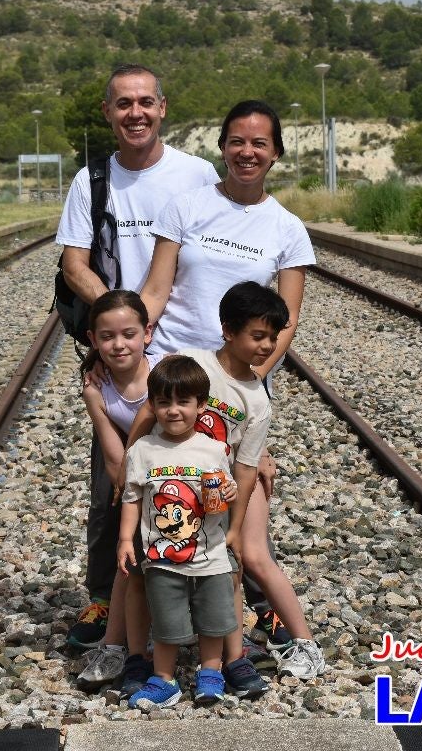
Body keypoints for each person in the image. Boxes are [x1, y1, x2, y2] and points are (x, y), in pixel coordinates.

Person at [137, 100, 322, 675]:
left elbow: (284, 324)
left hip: (235, 390)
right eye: (237, 141)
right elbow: (156, 291)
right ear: (223, 146)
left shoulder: (286, 229)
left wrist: (242, 394)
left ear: (276, 154)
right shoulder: (187, 205)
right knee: (153, 522)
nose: (247, 152)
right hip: (171, 387)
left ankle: (265, 643)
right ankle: (142, 649)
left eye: (260, 143)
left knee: (237, 528)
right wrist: (121, 350)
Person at [56, 63, 219, 651]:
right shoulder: (91, 181)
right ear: (108, 113)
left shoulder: (198, 175)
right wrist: (119, 324)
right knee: (115, 482)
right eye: (123, 104)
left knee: (204, 480)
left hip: (188, 356)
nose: (135, 113)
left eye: (145, 102)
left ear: (163, 107)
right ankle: (106, 595)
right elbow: (75, 263)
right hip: (124, 361)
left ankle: (218, 603)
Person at [128, 283, 327, 685]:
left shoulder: (257, 400)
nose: (268, 345)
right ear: (228, 331)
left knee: (249, 555)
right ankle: (126, 650)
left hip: (226, 485)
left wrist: (235, 526)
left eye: (273, 337)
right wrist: (127, 466)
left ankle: (303, 644)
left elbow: (248, 468)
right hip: (172, 478)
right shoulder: (193, 363)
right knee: (137, 560)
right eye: (258, 335)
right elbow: (149, 414)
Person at [118, 355, 240, 709]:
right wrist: (126, 539)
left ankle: (211, 673)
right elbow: (131, 498)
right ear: (153, 406)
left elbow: (223, 496)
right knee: (167, 621)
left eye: (183, 401)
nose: (174, 411)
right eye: (163, 402)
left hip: (211, 553)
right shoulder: (142, 450)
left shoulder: (214, 449)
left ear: (200, 405)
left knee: (214, 619)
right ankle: (164, 678)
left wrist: (229, 493)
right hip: (160, 557)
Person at [73, 291, 155, 695]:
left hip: (184, 473)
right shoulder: (96, 389)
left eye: (128, 334)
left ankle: (225, 643)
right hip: (138, 476)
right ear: (93, 339)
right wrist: (130, 496)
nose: (118, 344)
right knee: (131, 555)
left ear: (147, 334)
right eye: (107, 337)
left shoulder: (163, 372)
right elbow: (112, 455)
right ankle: (117, 646)